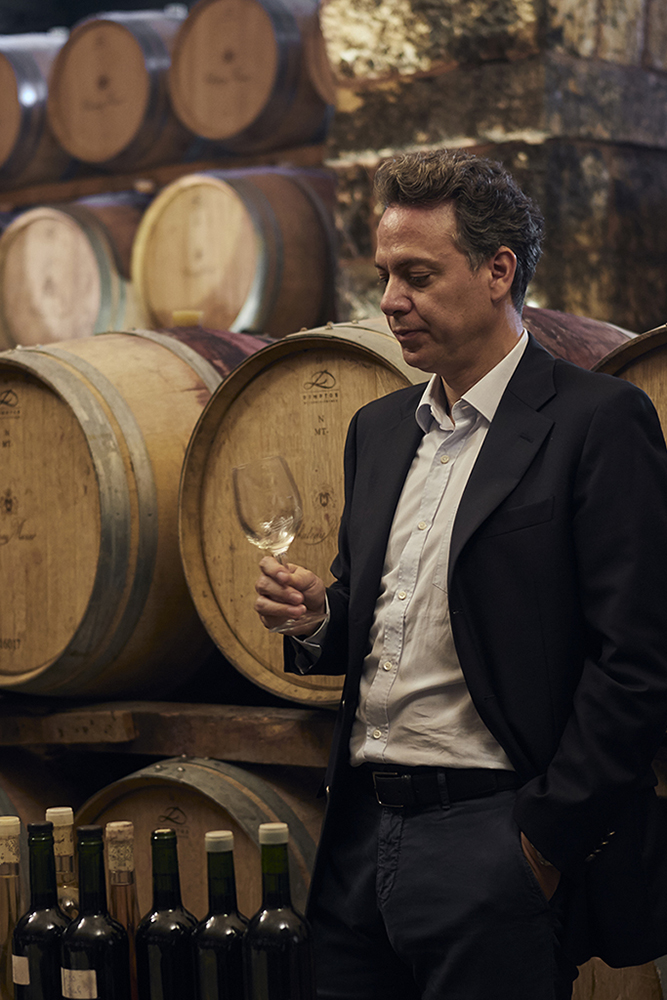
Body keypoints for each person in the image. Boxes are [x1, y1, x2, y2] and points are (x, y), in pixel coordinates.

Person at [254, 148, 667, 999]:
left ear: (496, 271)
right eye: (383, 274)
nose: (389, 301)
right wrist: (317, 619)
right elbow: (387, 614)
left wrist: (542, 842)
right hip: (360, 832)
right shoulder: (378, 430)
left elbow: (639, 656)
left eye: (416, 274)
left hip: (492, 838)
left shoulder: (595, 421)